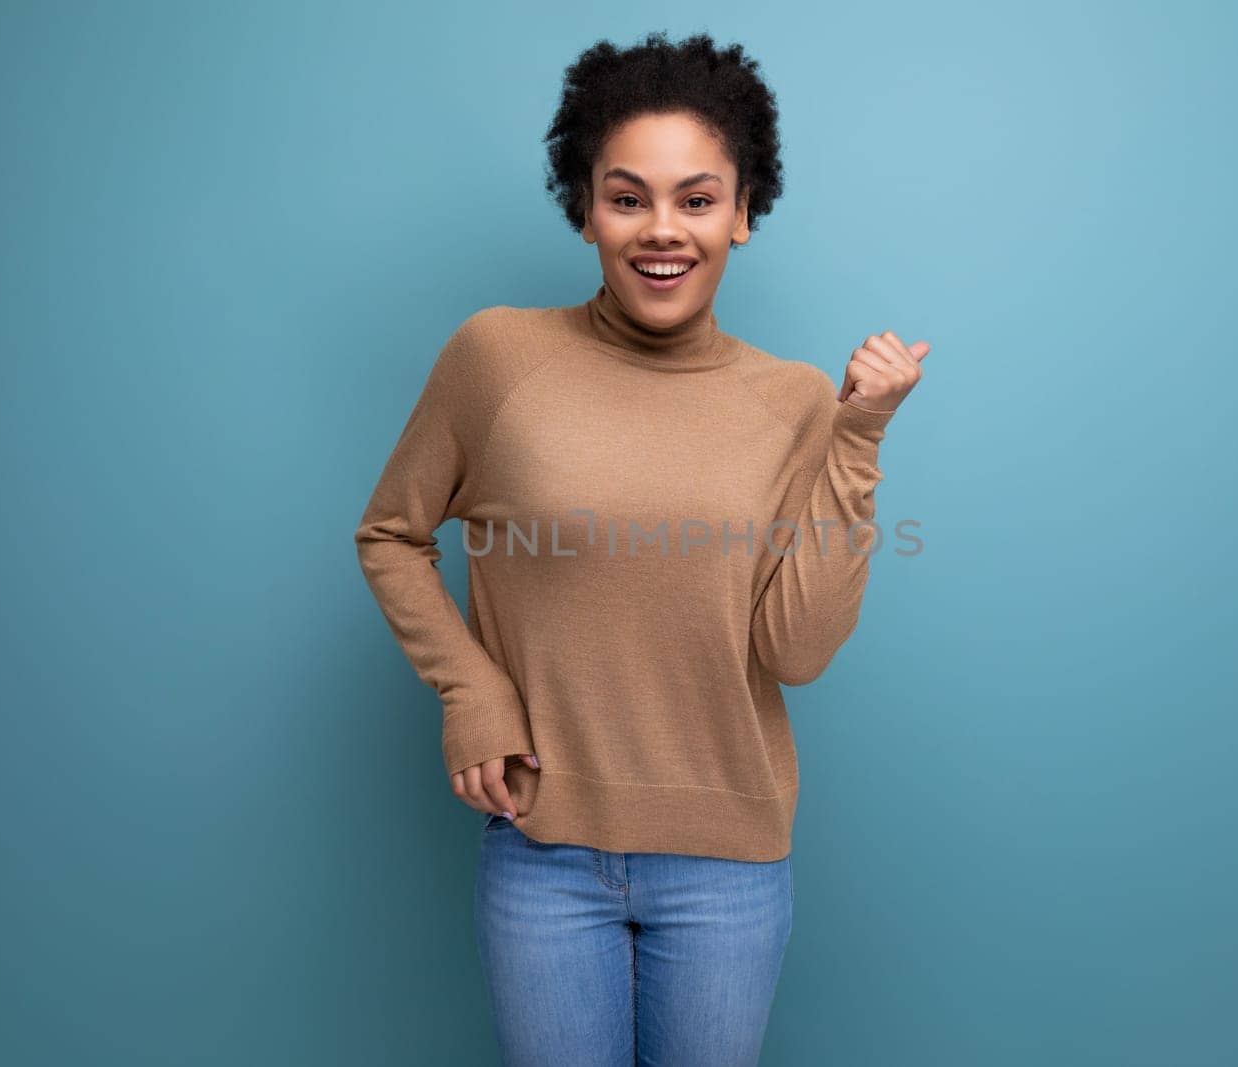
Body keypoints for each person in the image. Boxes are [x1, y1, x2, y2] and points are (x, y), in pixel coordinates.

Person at [353, 31, 929, 1067]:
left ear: (744, 212)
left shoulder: (795, 401)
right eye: (628, 197)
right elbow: (390, 532)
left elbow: (794, 650)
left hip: (729, 866)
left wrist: (856, 439)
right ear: (585, 208)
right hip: (544, 852)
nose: (662, 231)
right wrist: (469, 691)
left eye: (697, 199)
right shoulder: (497, 358)